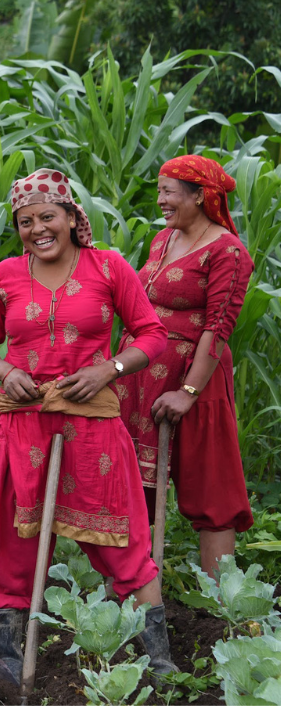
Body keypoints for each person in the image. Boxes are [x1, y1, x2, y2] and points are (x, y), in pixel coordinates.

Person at [0, 169, 177, 685]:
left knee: (122, 539)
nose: (37, 228)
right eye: (25, 220)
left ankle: (159, 662)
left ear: (71, 218)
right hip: (23, 424)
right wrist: (7, 371)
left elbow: (152, 335)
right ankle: (10, 662)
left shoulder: (108, 267)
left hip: (93, 427)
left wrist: (110, 368)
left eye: (47, 216)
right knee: (8, 542)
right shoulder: (7, 275)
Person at [117, 156, 254, 579]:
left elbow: (217, 329)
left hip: (194, 380)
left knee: (209, 486)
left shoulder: (227, 251)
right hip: (142, 379)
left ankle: (220, 602)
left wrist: (188, 393)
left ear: (200, 195)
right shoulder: (163, 240)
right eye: (159, 191)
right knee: (134, 486)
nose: (160, 201)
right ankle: (130, 586)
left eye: (169, 192)